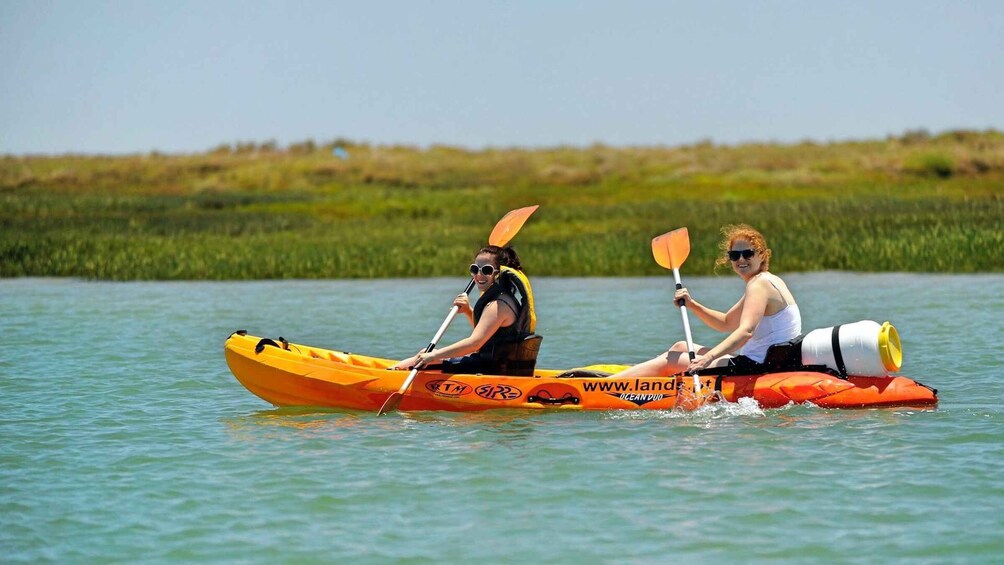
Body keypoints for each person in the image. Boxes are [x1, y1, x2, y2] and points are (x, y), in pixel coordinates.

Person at [609, 224, 801, 378]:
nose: (740, 259)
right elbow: (726, 323)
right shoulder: (765, 281)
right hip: (760, 361)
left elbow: (746, 331)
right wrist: (692, 304)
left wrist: (707, 359)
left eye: (747, 254)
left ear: (762, 255)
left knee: (670, 359)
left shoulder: (759, 285)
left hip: (757, 367)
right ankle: (644, 377)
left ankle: (605, 385)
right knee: (680, 347)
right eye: (734, 255)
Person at [391, 245, 541, 376]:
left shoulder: (498, 305)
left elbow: (475, 343)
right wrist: (469, 311)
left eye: (486, 270)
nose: (479, 275)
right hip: (496, 367)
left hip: (489, 371)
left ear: (498, 273)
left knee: (426, 357)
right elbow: (486, 335)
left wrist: (433, 355)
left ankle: (390, 374)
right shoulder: (504, 299)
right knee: (426, 354)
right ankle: (392, 370)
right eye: (475, 269)